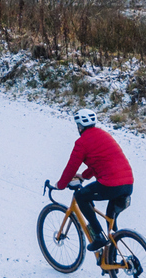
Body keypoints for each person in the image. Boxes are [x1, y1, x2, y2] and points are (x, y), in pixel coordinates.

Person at [54, 108, 133, 260]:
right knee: (111, 219)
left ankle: (98, 236)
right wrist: (84, 176)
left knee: (80, 197)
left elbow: (71, 167)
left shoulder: (82, 142)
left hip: (110, 184)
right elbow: (101, 160)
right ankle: (113, 257)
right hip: (128, 183)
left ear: (79, 126)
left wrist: (60, 185)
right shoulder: (104, 135)